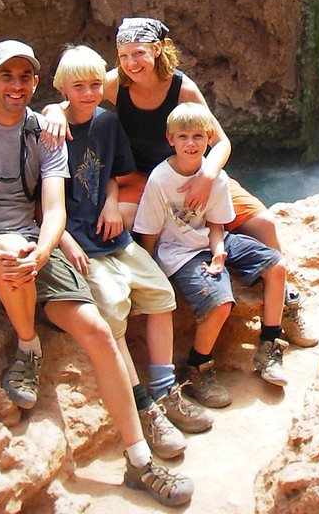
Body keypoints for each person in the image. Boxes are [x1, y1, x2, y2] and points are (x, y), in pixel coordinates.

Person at [0, 39, 193, 508]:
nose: (15, 85)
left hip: (34, 241)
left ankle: (138, 460)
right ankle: (29, 347)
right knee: (10, 253)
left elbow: (52, 211)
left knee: (96, 329)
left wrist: (44, 250)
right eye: (5, 76)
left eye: (23, 76)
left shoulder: (45, 131)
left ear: (34, 83)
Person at [42, 16, 318, 349]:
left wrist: (206, 176)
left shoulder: (181, 87)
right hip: (143, 176)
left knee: (263, 221)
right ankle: (145, 285)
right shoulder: (117, 83)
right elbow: (75, 95)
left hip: (190, 170)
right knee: (123, 221)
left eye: (139, 54)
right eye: (124, 55)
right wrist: (52, 111)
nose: (131, 63)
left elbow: (222, 142)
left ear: (157, 50)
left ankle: (285, 302)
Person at [52, 44, 213, 459]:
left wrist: (110, 202)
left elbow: (116, 176)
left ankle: (165, 391)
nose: (88, 93)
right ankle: (143, 408)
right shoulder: (49, 131)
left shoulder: (107, 123)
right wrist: (62, 239)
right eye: (78, 87)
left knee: (160, 293)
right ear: (61, 89)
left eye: (94, 85)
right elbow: (37, 197)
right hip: (76, 241)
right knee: (112, 309)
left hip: (112, 236)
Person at [134, 101, 289, 408]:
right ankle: (198, 367)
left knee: (277, 266)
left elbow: (216, 223)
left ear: (208, 138)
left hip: (212, 241)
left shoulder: (215, 177)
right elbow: (148, 231)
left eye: (197, 137)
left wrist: (219, 252)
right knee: (220, 303)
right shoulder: (160, 180)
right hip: (178, 252)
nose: (191, 144)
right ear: (170, 140)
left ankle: (269, 345)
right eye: (183, 137)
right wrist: (149, 269)